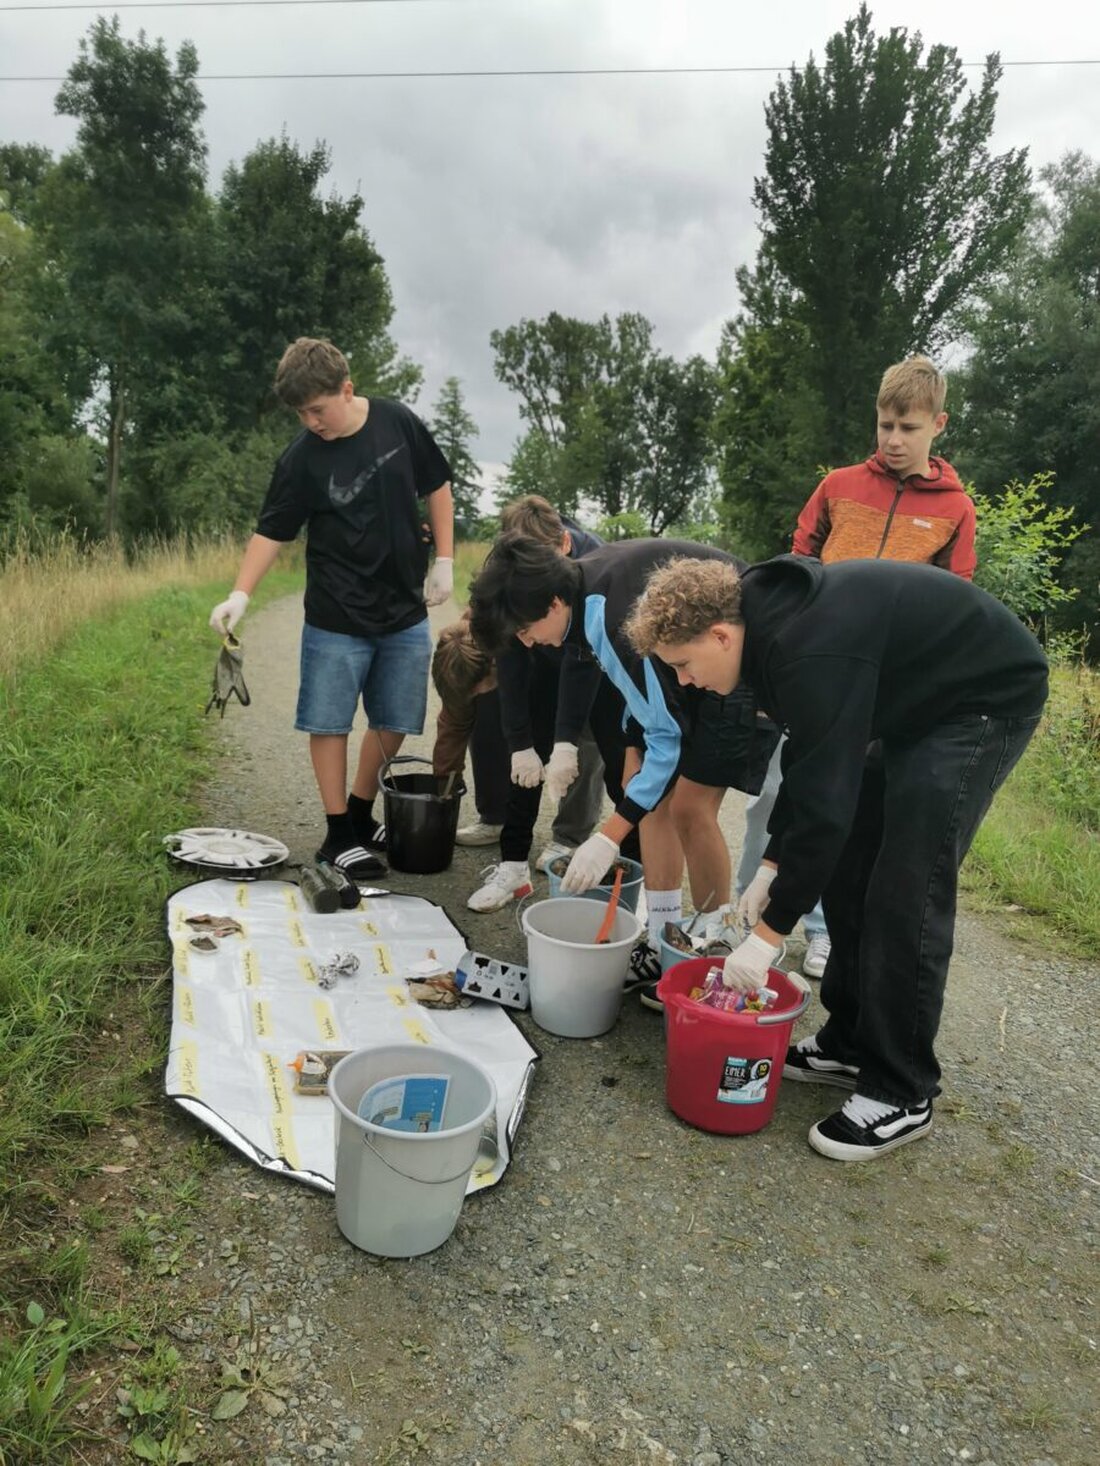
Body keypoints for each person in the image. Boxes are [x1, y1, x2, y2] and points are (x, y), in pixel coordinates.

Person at [626, 555, 1047, 1162]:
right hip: (905, 699)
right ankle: (849, 1041)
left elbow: (828, 806)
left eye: (684, 665)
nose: (685, 681)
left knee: (907, 887)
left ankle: (902, 1089)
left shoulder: (806, 650)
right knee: (850, 873)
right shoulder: (762, 635)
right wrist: (773, 863)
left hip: (979, 699)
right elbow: (812, 754)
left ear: (720, 636)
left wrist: (768, 936)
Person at [736, 354, 978, 981]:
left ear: (938, 425)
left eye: (909, 428)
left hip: (886, 687)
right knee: (777, 798)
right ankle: (747, 916)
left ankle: (817, 932)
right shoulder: (838, 486)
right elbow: (795, 569)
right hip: (817, 669)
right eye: (885, 425)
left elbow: (956, 600)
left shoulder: (956, 507)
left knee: (841, 809)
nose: (894, 441)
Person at [467, 535, 779, 982]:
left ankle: (717, 934)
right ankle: (664, 934)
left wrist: (608, 837)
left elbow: (667, 740)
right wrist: (633, 750)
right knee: (647, 800)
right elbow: (641, 688)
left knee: (690, 806)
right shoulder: (585, 589)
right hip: (687, 670)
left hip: (732, 665)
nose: (530, 643)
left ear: (553, 604)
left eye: (524, 630)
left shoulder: (607, 614)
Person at [209, 337, 454, 879]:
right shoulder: (301, 459)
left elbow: (437, 484)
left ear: (347, 389)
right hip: (337, 614)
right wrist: (240, 594)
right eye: (300, 412)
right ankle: (337, 834)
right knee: (330, 722)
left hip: (403, 611)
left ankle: (362, 817)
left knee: (395, 721)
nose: (310, 421)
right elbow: (271, 530)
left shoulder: (397, 423)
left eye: (316, 409)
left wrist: (446, 559)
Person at [429, 611, 605, 899]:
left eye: (481, 686)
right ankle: (496, 818)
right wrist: (443, 790)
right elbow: (453, 722)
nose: (477, 692)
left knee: (581, 737)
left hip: (567, 662)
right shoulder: (458, 657)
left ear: (495, 662)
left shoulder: (524, 631)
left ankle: (569, 835)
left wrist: (559, 744)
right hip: (516, 665)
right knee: (488, 719)